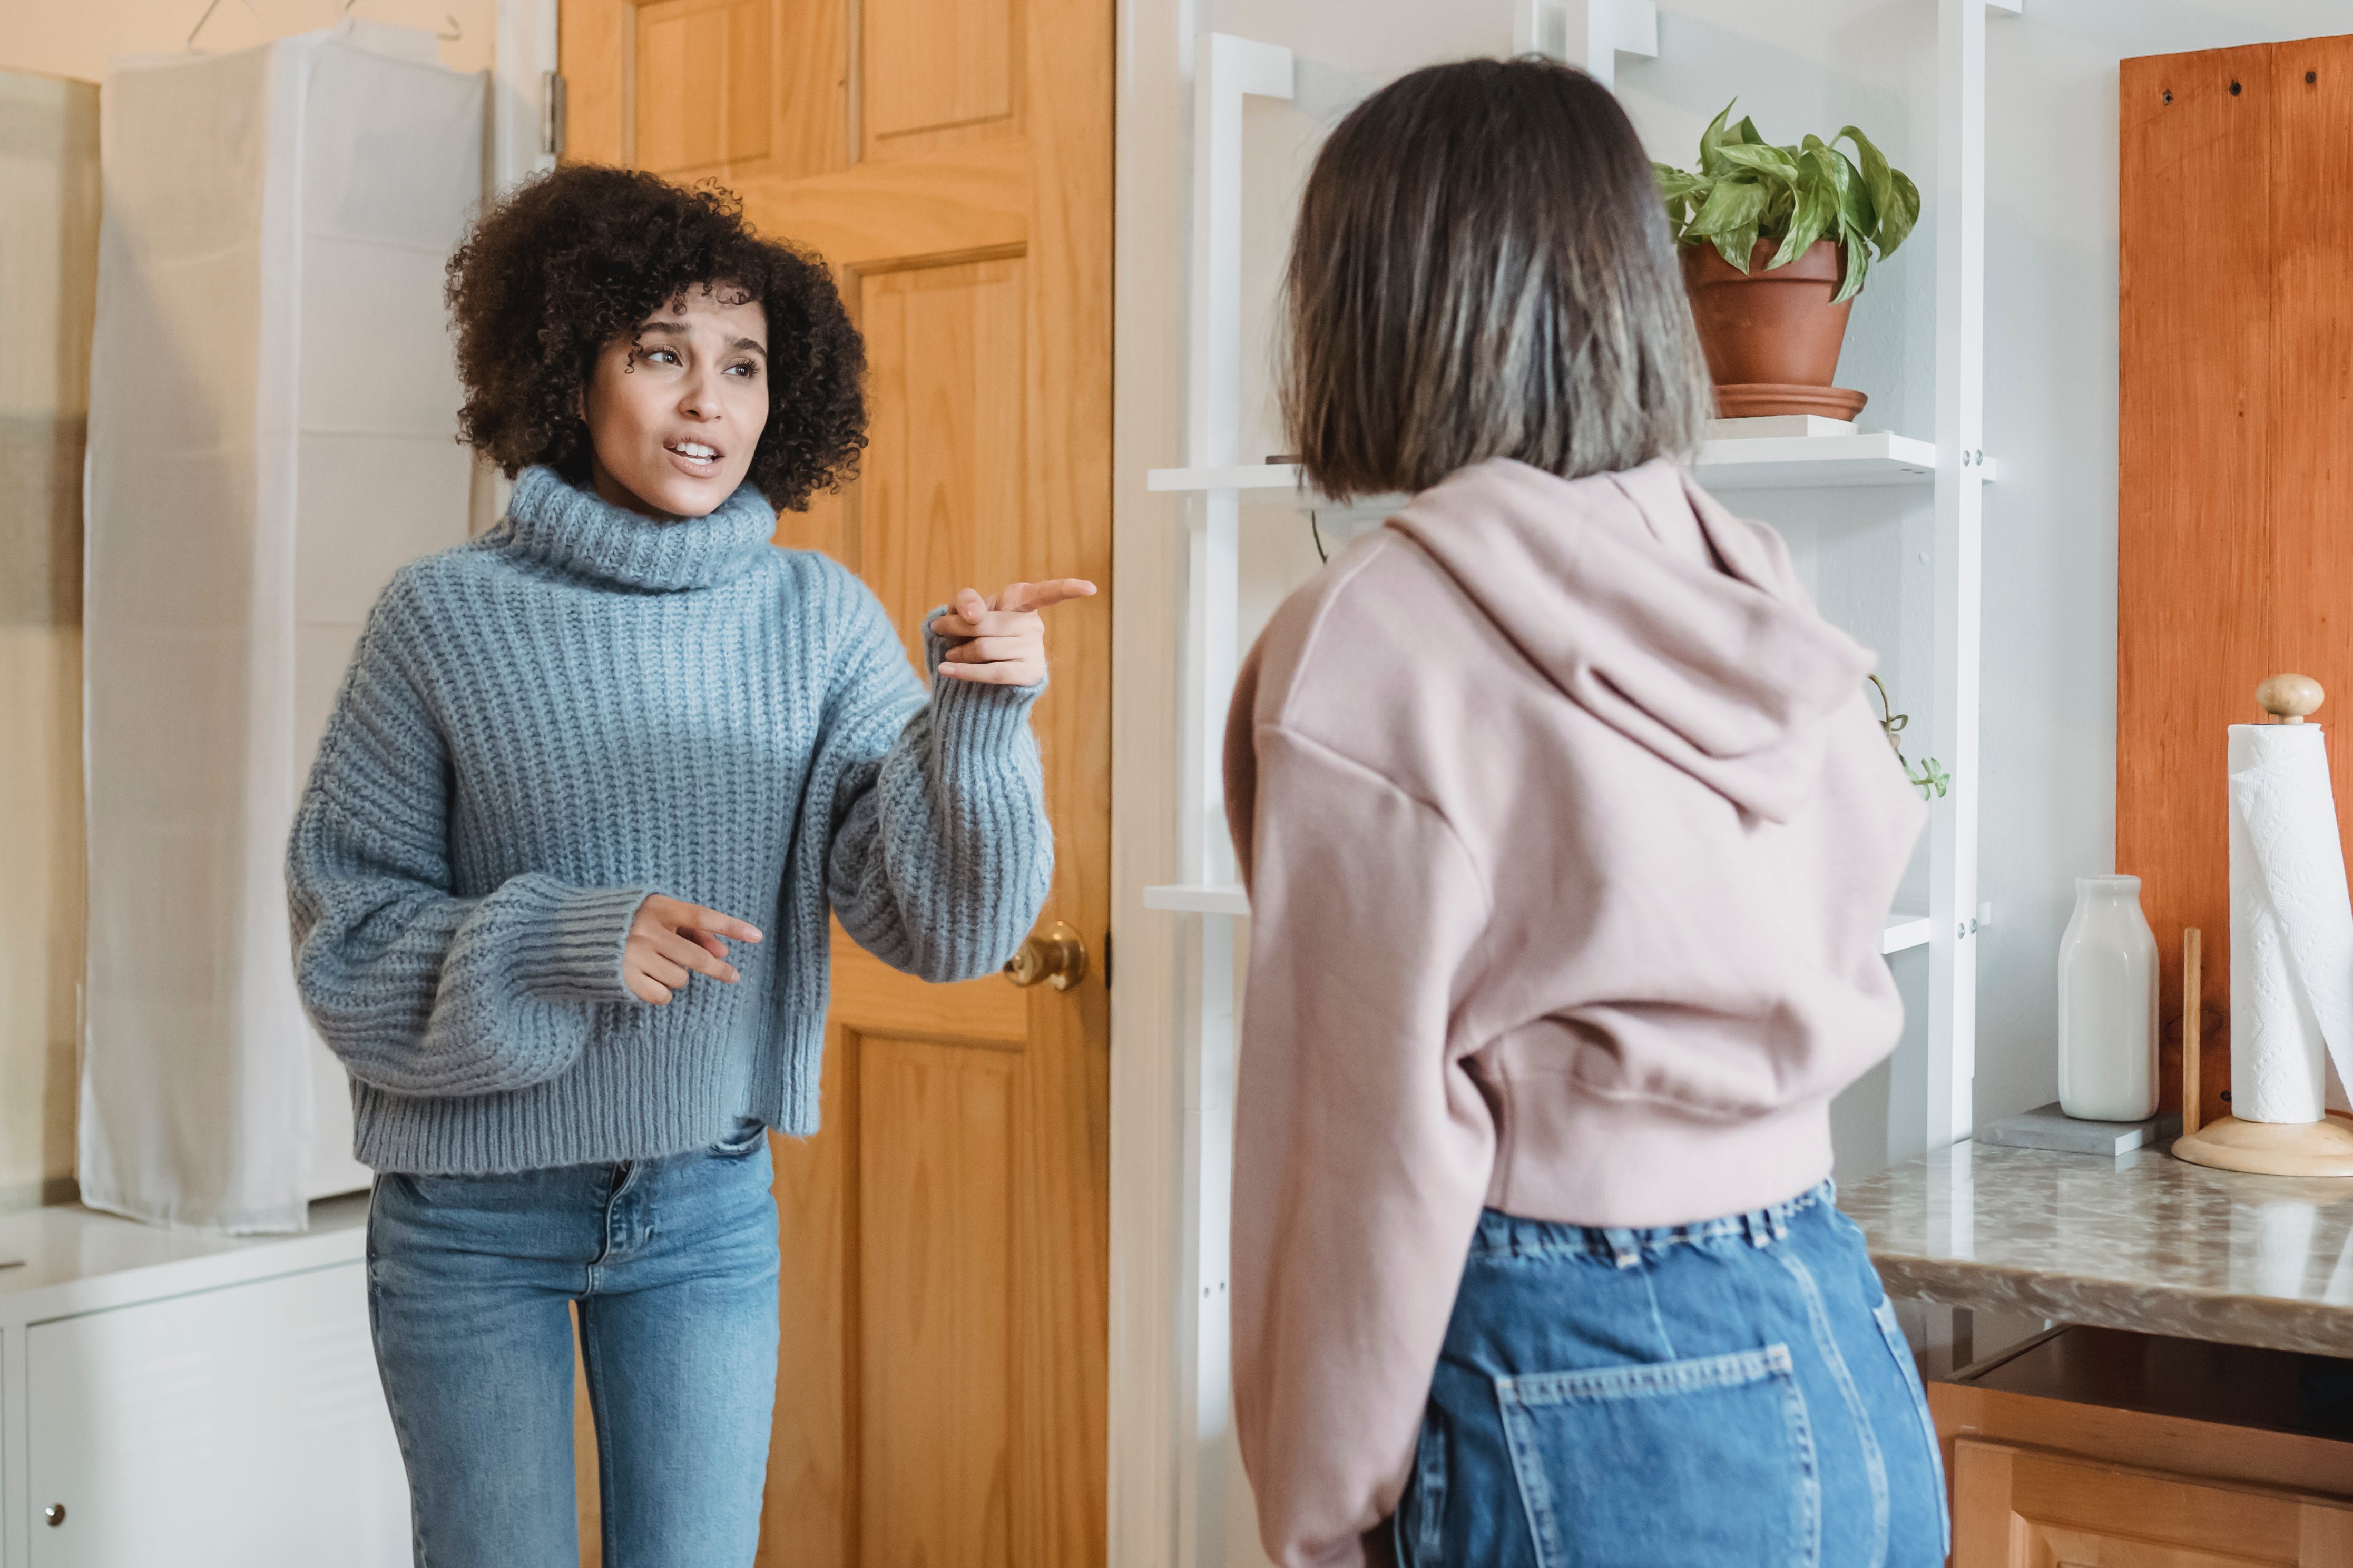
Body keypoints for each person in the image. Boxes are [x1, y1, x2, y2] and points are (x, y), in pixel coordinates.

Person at [285, 165, 1090, 1567]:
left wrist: (976, 713)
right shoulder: (439, 619)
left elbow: (946, 926)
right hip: (472, 1224)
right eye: (662, 354)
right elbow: (345, 942)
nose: (708, 401)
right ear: (566, 368)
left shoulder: (819, 618)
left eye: (743, 364)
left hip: (705, 1207)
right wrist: (559, 938)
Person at [1224, 58, 1946, 1568]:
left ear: (1371, 299)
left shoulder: (1373, 631)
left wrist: (1315, 1505)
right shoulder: (1738, 573)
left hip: (1584, 1376)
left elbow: (1357, 1143)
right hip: (1843, 1347)